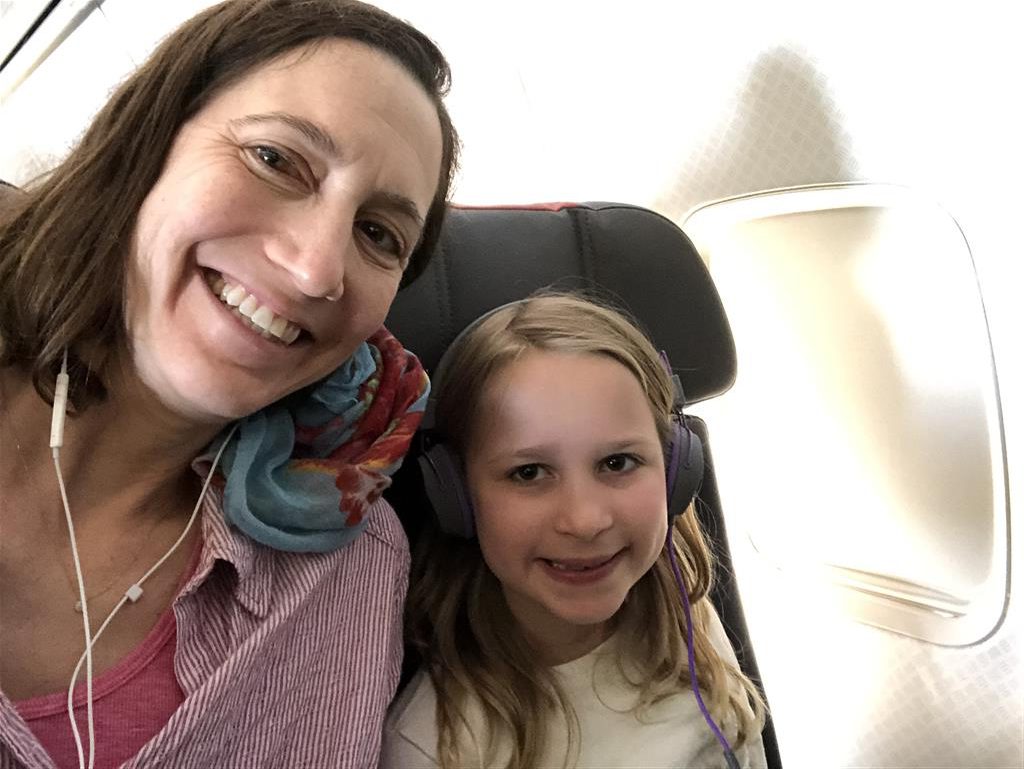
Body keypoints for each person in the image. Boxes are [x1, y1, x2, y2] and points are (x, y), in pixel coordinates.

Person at [0, 1, 459, 767]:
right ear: (147, 139)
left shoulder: (349, 567)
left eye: (378, 234)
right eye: (276, 159)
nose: (315, 268)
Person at [381, 293, 768, 769]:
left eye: (617, 462)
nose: (585, 521)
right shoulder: (436, 745)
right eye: (528, 473)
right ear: (455, 496)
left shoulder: (688, 617)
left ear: (676, 471)